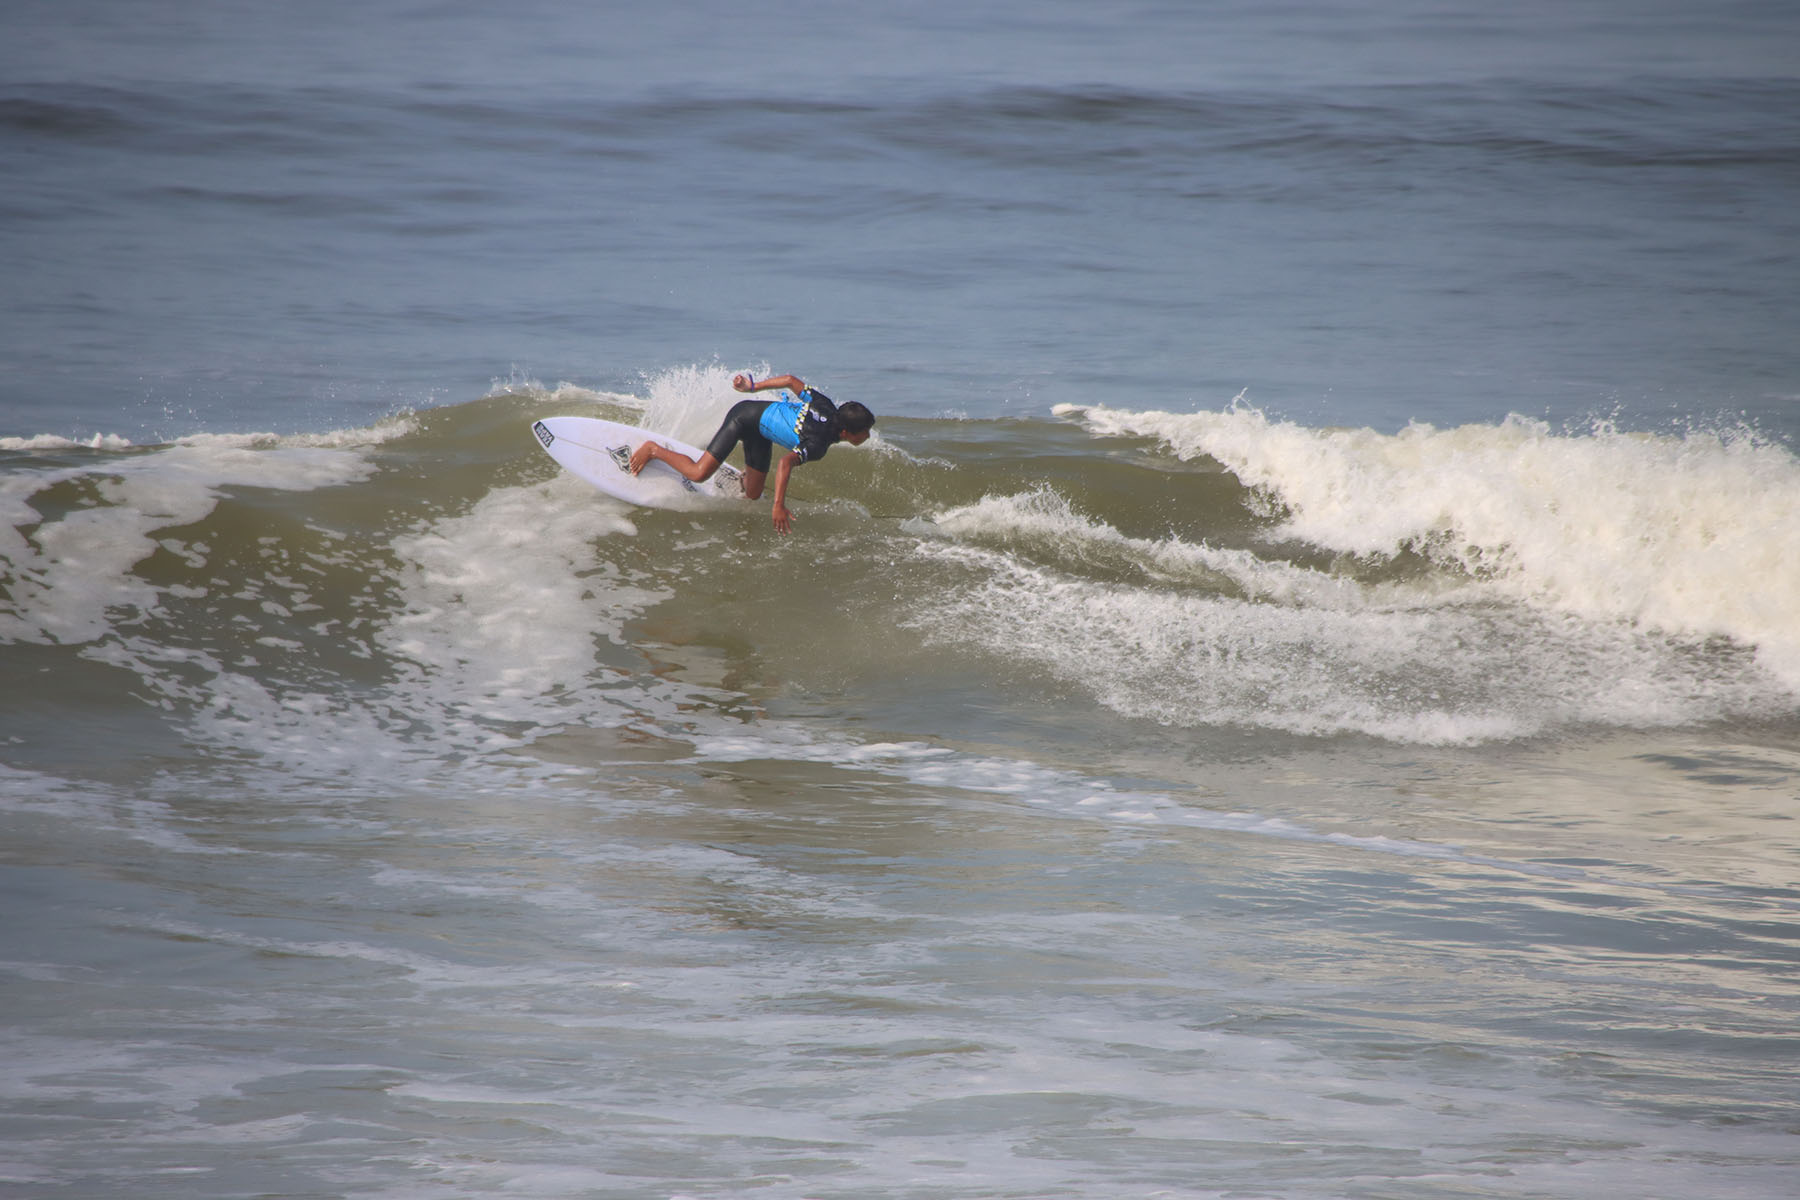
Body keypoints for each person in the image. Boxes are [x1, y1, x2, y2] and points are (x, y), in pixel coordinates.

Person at [629, 373, 875, 534]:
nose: (868, 436)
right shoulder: (818, 444)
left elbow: (791, 380)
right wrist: (778, 505)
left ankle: (742, 477)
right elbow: (785, 463)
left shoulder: (826, 405)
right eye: (864, 432)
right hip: (743, 418)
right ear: (846, 432)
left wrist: (753, 386)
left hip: (761, 432)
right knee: (698, 474)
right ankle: (654, 449)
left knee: (753, 494)